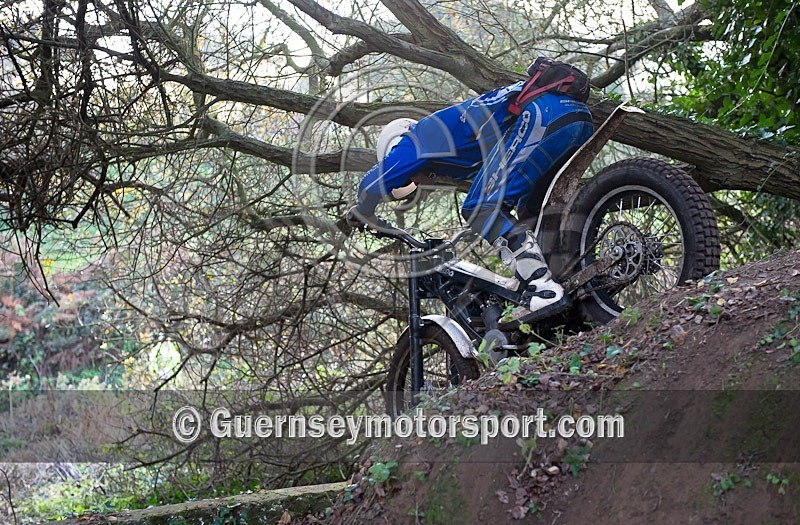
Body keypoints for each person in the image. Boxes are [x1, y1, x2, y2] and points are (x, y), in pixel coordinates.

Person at [347, 58, 594, 320]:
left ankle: (542, 287)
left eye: (407, 180)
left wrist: (362, 209)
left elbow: (374, 182)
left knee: (479, 207)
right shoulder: (452, 150)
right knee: (531, 208)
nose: (414, 182)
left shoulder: (416, 137)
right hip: (578, 118)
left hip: (543, 115)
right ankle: (574, 275)